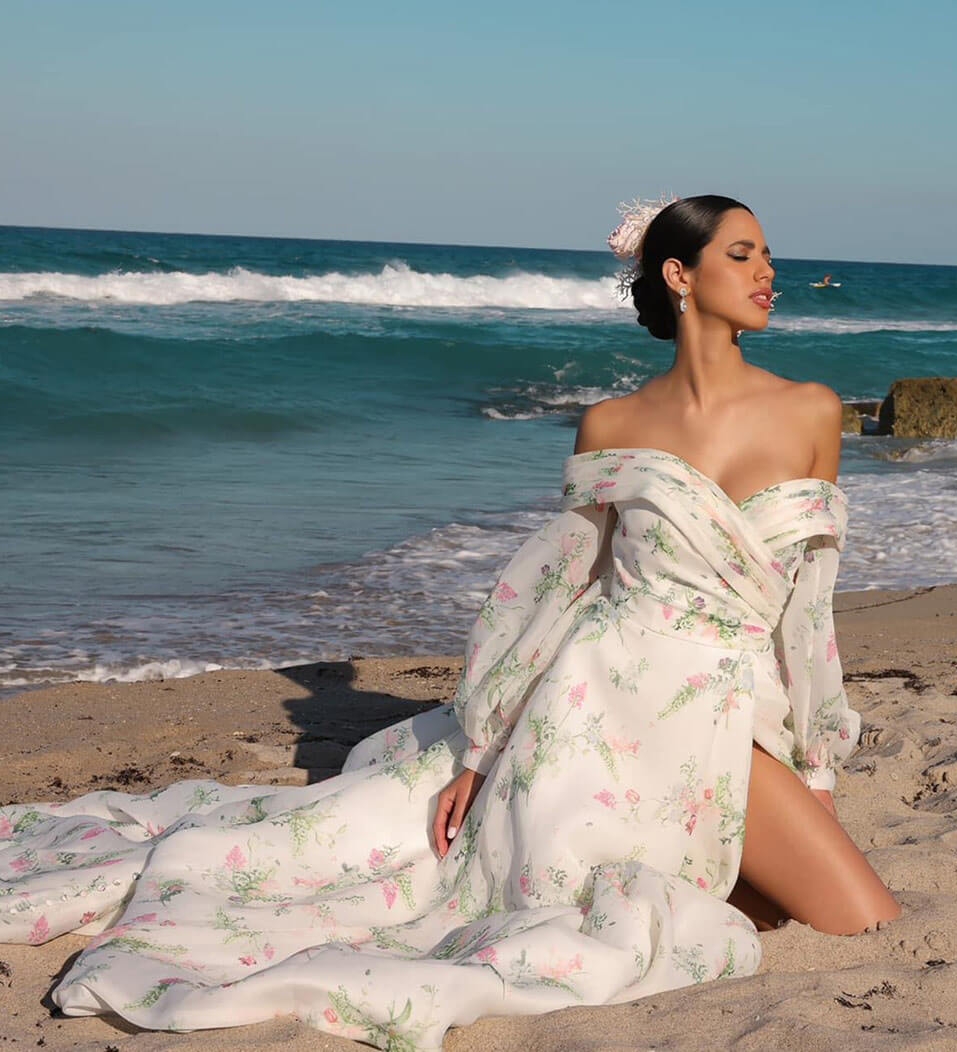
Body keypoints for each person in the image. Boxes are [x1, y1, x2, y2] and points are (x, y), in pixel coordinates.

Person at [0, 195, 898, 1050]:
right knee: (833, 916)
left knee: (857, 919)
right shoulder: (612, 423)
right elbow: (554, 592)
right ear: (678, 274)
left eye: (769, 254)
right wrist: (480, 747)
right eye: (743, 254)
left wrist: (816, 761)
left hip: (736, 706)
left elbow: (806, 611)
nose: (769, 271)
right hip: (600, 708)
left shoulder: (812, 410)